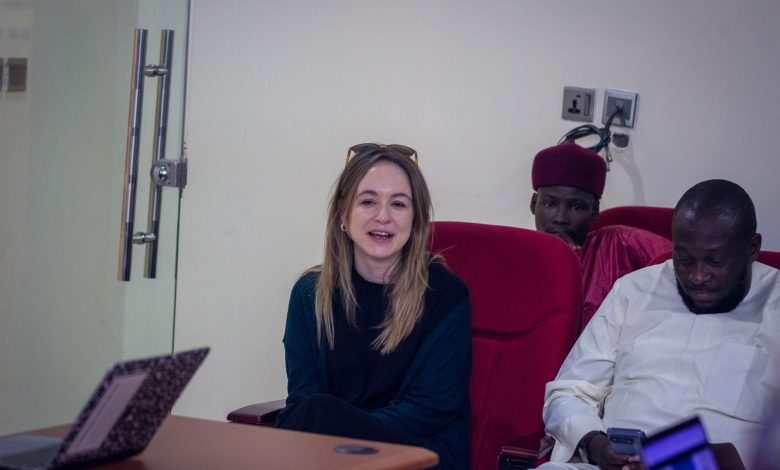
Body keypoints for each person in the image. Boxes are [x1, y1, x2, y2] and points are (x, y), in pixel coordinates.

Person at [538, 179, 779, 469]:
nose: (698, 276)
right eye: (685, 259)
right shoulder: (633, 289)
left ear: (752, 248)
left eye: (715, 262)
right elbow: (570, 390)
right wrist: (595, 443)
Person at [274, 143, 471, 469]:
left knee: (316, 414)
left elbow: (429, 409)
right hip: (329, 450)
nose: (383, 216)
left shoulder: (445, 294)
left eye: (398, 204)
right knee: (310, 413)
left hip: (420, 451)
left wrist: (339, 430)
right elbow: (302, 395)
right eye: (368, 201)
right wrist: (336, 435)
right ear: (343, 213)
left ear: (416, 219)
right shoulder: (310, 293)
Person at [529, 141, 671, 327]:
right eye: (550, 204)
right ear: (534, 204)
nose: (560, 218)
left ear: (594, 211)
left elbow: (683, 263)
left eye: (577, 207)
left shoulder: (621, 244)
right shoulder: (516, 256)